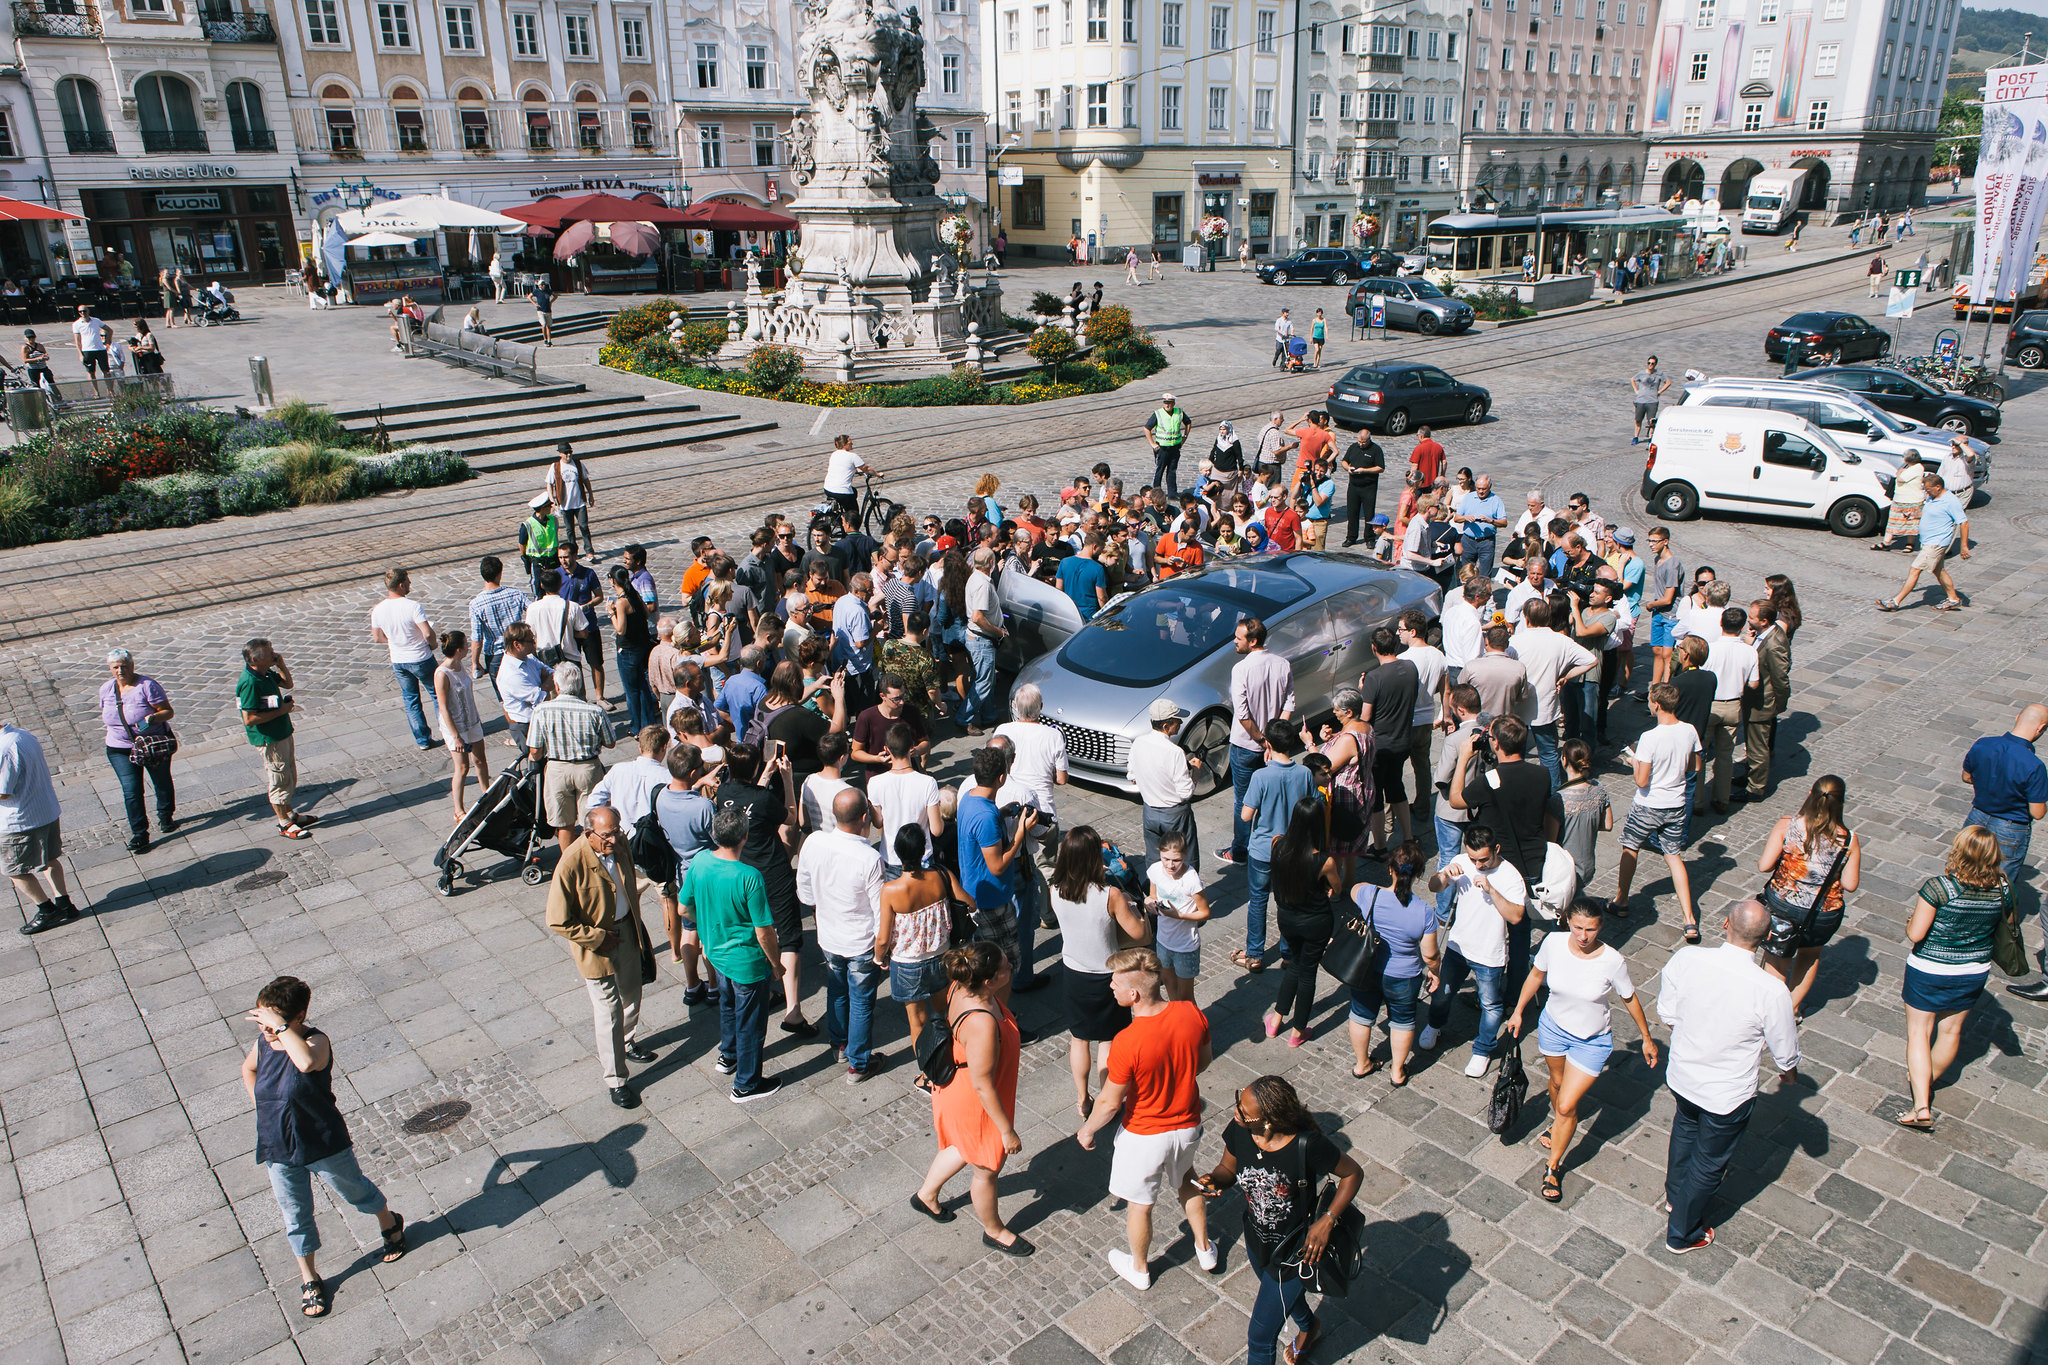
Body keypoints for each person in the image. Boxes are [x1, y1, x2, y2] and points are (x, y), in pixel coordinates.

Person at [241, 976, 407, 1320]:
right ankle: (309, 1277)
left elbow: (303, 1063)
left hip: (322, 1140)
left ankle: (389, 1222)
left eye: (272, 1023)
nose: (266, 1030)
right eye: (263, 1021)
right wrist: (263, 1106)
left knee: (355, 1191)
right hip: (278, 1147)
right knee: (295, 1215)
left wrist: (282, 1028)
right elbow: (249, 1068)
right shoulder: (263, 1043)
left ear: (298, 1016)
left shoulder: (316, 1042)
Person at [1657, 900, 1799, 1254]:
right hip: (1727, 1093)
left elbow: (1667, 1013)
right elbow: (1784, 1048)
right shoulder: (1771, 990)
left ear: (1724, 924)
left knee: (1685, 1133)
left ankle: (1676, 1198)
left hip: (1684, 1074)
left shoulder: (1687, 960)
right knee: (1709, 1161)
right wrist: (1789, 1073)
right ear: (1767, 938)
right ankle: (1683, 1231)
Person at [1196, 1076, 1365, 1365]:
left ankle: (1309, 1329)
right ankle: (1310, 1328)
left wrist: (1327, 1221)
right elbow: (1227, 1167)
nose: (1236, 1111)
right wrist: (1215, 1180)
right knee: (1279, 1296)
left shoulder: (1307, 1145)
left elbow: (1353, 1174)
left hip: (1294, 1253)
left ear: (1268, 1122)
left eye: (1244, 1110)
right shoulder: (1240, 1130)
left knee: (1260, 1339)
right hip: (1257, 1241)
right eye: (1239, 1101)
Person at [1078, 947, 1218, 1289]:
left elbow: (1111, 1101)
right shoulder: (1190, 1013)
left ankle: (1139, 1269)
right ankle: (1204, 1249)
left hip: (1144, 1135)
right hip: (1187, 1126)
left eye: (1115, 982)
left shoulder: (1127, 1041)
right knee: (1187, 1179)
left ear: (1134, 993)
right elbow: (1204, 1061)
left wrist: (1087, 1129)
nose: (1110, 987)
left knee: (1140, 1204)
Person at [1503, 901, 1659, 1201]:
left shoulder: (1611, 961)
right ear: (1568, 922)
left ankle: (1553, 1167)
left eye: (1590, 929)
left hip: (1592, 1041)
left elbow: (1629, 997)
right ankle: (1559, 1123)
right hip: (1553, 1029)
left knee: (1566, 1105)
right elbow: (1536, 976)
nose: (1583, 935)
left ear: (1600, 928)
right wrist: (1519, 1010)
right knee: (1558, 1085)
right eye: (1577, 927)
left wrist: (1646, 1037)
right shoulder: (1554, 943)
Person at [911, 941, 1032, 1255]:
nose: (1010, 966)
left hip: (961, 1088)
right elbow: (982, 1084)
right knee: (986, 1168)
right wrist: (1006, 1130)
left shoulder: (961, 986)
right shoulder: (980, 1023)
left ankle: (926, 1195)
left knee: (962, 1147)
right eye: (1005, 966)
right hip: (975, 1100)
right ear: (989, 980)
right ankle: (994, 1231)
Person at [1901, 826, 2014, 1128]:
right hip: (1972, 971)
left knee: (1919, 1034)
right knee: (1950, 1033)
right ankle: (1926, 1079)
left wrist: (1910, 921)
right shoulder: (2003, 888)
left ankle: (1921, 1105)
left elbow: (1915, 933)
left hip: (1929, 969)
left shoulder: (1939, 887)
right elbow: (2007, 926)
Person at [546, 805, 656, 1107]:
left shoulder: (617, 844)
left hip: (626, 934)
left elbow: (629, 880)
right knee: (608, 1011)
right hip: (597, 948)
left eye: (617, 831)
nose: (615, 839)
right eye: (607, 835)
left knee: (632, 995)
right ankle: (616, 1079)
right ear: (588, 833)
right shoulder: (571, 863)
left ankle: (626, 1040)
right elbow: (556, 919)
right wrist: (596, 938)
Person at [682, 808, 784, 1102]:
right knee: (752, 1022)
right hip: (746, 962)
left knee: (727, 1005)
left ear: (714, 835)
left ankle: (728, 1055)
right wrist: (776, 964)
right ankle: (747, 1084)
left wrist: (706, 926)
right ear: (745, 837)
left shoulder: (700, 861)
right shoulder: (749, 876)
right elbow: (764, 931)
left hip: (716, 954)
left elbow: (683, 908)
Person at [1050, 825, 1148, 1115]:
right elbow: (1139, 935)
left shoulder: (1055, 889)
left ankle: (1082, 1097)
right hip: (1107, 975)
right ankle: (1108, 1097)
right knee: (1109, 1039)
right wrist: (1139, 910)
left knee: (1079, 1038)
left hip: (1073, 972)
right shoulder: (1110, 895)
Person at [716, 741, 810, 1035]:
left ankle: (766, 989)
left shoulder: (724, 793)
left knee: (753, 928)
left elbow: (749, 798)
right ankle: (793, 1012)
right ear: (756, 766)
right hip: (772, 871)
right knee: (789, 936)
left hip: (741, 871)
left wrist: (764, 774)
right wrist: (786, 779)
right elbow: (792, 817)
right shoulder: (766, 798)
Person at [1422, 824, 1528, 1077]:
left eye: (1483, 859)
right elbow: (1433, 887)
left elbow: (1516, 917)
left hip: (1489, 953)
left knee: (1491, 1004)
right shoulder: (1462, 862)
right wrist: (1445, 875)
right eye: (1473, 859)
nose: (1478, 865)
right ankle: (1435, 1025)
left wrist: (1492, 890)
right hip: (1459, 946)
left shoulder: (1511, 876)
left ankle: (1482, 1049)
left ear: (1496, 850)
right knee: (1443, 992)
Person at [797, 788, 887, 1083]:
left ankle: (839, 1045)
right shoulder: (869, 858)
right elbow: (880, 910)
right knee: (861, 1001)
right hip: (860, 941)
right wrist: (883, 948)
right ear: (864, 818)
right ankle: (859, 1063)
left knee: (836, 989)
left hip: (829, 936)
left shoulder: (814, 842)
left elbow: (806, 892)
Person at [1757, 775, 1861, 1021]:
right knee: (1809, 957)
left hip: (1783, 903)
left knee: (1777, 956)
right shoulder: (1849, 839)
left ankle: (1770, 1013)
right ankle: (1792, 1008)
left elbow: (1764, 865)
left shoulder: (1787, 824)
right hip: (1823, 911)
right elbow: (1850, 884)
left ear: (1811, 795)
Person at [1612, 683, 1703, 934]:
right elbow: (1694, 766)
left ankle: (1621, 900)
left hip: (1648, 804)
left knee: (1630, 847)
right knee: (1673, 856)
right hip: (1676, 804)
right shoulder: (1689, 730)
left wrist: (1634, 763)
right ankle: (1689, 918)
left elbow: (1641, 781)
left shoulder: (1649, 738)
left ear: (1657, 705)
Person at [1347, 840, 1439, 1082]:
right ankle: (1397, 1071)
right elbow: (1430, 954)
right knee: (1403, 1020)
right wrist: (1435, 971)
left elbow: (1354, 888)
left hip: (1367, 968)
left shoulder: (1370, 895)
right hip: (1404, 975)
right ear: (1419, 873)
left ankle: (1361, 1063)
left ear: (1390, 869)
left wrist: (1375, 887)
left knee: (1361, 1014)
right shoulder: (1424, 912)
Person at [1239, 719, 1315, 974]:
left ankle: (1255, 954)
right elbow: (1313, 807)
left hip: (1263, 850)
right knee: (1288, 901)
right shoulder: (1304, 774)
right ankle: (1288, 953)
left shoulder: (1261, 776)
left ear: (1268, 744)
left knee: (1258, 900)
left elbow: (1246, 816)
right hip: (1293, 850)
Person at [1265, 797, 1340, 1048]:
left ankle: (1276, 1019)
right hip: (1316, 922)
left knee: (1295, 964)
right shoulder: (1324, 860)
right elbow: (1337, 888)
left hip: (1287, 918)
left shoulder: (1277, 844)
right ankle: (1298, 1031)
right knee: (1308, 972)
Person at [1222, 618, 1296, 869]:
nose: (1234, 641)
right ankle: (1272, 845)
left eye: (1238, 637)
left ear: (1252, 641)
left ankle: (1240, 851)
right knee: (1271, 797)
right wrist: (1273, 741)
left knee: (1243, 801)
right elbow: (1289, 704)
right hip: (1274, 747)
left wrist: (1261, 739)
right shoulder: (1283, 664)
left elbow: (1242, 715)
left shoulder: (1241, 669)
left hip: (1245, 745)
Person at [877, 825, 962, 1041]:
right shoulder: (942, 875)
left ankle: (927, 1071)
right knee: (943, 1016)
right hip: (941, 955)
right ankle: (948, 1060)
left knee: (918, 1023)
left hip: (907, 964)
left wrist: (879, 957)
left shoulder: (891, 890)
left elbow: (884, 938)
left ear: (897, 852)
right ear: (924, 849)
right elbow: (968, 902)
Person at [528, 663, 614, 852]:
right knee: (591, 821)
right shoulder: (594, 711)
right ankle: (594, 860)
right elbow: (610, 742)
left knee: (564, 824)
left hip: (557, 769)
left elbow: (535, 751)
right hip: (588, 768)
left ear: (557, 686)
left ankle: (569, 863)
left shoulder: (542, 711)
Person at [99, 648, 176, 855]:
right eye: (115, 667)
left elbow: (168, 712)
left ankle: (165, 815)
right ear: (110, 669)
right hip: (119, 748)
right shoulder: (106, 689)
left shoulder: (147, 686)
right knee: (131, 791)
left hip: (151, 744)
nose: (120, 670)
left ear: (132, 666)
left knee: (161, 781)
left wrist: (152, 718)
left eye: (124, 666)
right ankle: (140, 834)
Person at [239, 639, 316, 840]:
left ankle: (290, 814)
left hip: (282, 732)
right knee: (279, 778)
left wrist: (281, 664)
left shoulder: (264, 673)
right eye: (269, 652)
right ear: (255, 659)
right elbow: (249, 718)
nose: (274, 653)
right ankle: (284, 823)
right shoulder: (250, 682)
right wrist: (282, 710)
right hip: (269, 738)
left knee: (288, 774)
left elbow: (287, 684)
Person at [1356, 628, 1420, 853]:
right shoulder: (1411, 668)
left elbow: (1365, 718)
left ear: (1374, 648)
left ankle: (1380, 846)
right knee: (1396, 787)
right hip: (1402, 741)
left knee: (1375, 797)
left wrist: (1364, 691)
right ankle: (1409, 837)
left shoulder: (1374, 678)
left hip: (1379, 748)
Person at [367, 567, 440, 752]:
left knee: (411, 700)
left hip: (399, 660)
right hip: (421, 658)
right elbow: (427, 633)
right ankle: (447, 730)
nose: (410, 584)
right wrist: (432, 645)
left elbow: (377, 638)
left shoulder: (378, 610)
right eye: (408, 581)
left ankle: (423, 739)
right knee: (438, 694)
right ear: (401, 585)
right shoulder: (413, 606)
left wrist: (395, 641)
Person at [1877, 472, 1968, 613]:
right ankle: (1953, 599)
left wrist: (1964, 547)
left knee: (1915, 569)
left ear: (1938, 487)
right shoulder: (1933, 498)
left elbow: (1964, 523)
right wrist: (1914, 515)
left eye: (1928, 489)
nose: (1926, 492)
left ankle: (1895, 601)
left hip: (1935, 544)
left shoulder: (1951, 501)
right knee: (1939, 571)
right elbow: (1927, 512)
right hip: (1928, 542)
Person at [1700, 606, 1758, 814]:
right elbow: (1754, 684)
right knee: (1725, 755)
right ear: (1742, 627)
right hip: (1733, 705)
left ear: (1721, 623)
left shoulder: (1710, 649)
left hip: (1710, 704)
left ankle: (1698, 801)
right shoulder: (1750, 651)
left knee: (1700, 753)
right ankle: (1721, 799)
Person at [432, 631, 490, 822]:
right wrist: (455, 735)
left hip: (471, 721)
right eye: (466, 645)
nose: (469, 647)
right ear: (459, 650)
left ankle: (486, 795)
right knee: (462, 767)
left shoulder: (460, 666)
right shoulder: (442, 674)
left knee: (480, 760)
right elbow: (443, 707)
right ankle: (458, 809)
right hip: (455, 726)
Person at [1145, 836, 1211, 1001]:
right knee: (1169, 985)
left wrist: (1179, 915)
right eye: (1165, 859)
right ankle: (1179, 1022)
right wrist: (1150, 904)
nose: (1170, 865)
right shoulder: (1155, 870)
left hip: (1185, 946)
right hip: (1163, 941)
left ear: (1185, 855)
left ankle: (1195, 1026)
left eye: (1176, 860)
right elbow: (1153, 895)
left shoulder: (1191, 880)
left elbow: (1204, 912)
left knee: (1186, 997)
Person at [1743, 598, 1791, 801]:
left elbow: (1781, 678)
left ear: (1764, 621)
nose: (1748, 619)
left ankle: (1755, 787)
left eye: (1752, 617)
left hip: (1763, 702)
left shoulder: (1774, 643)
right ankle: (1750, 775)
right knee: (1752, 742)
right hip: (1753, 700)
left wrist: (1778, 705)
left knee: (1758, 747)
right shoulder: (1763, 635)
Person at [607, 565, 659, 732]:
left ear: (612, 580)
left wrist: (611, 613)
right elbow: (645, 614)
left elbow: (621, 629)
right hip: (642, 647)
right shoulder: (635, 595)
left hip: (628, 650)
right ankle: (648, 722)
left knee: (632, 691)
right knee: (643, 687)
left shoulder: (621, 602)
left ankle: (636, 726)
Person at [1643, 526, 1684, 687]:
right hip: (1658, 613)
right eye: (1650, 540)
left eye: (1655, 541)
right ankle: (1654, 685)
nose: (1651, 544)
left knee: (1667, 654)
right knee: (1657, 651)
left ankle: (1665, 687)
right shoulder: (1657, 560)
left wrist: (1651, 604)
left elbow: (1668, 599)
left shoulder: (1672, 565)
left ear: (1665, 542)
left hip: (1670, 614)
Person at [1340, 432, 1385, 547]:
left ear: (1368, 440)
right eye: (1359, 441)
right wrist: (1348, 468)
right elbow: (1344, 461)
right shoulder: (1353, 447)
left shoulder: (1376, 450)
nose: (1361, 444)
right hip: (1354, 486)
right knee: (1352, 513)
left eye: (1363, 442)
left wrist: (1364, 470)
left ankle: (1370, 537)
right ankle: (1351, 537)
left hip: (1369, 487)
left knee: (1369, 513)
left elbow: (1380, 468)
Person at [1144, 392, 1190, 498]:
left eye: (1169, 403)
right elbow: (1147, 428)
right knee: (1160, 470)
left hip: (1175, 447)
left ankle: (1172, 493)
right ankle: (1156, 493)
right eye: (1165, 403)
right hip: (1162, 448)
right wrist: (1152, 443)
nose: (1167, 405)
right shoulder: (1158, 413)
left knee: (1172, 470)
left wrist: (1184, 437)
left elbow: (1188, 422)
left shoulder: (1179, 412)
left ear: (1173, 403)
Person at [1630, 355, 1672, 445]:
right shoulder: (1641, 373)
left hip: (1652, 400)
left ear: (1655, 364)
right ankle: (1636, 436)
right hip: (1641, 399)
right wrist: (1636, 390)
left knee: (1651, 421)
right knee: (1638, 419)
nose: (1650, 365)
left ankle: (1650, 438)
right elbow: (1633, 379)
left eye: (1652, 363)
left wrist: (1659, 391)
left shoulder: (1659, 374)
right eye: (1649, 363)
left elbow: (1668, 382)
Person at [72, 304, 112, 397]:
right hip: (87, 350)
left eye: (84, 311)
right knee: (91, 372)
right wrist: (80, 354)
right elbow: (77, 341)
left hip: (100, 349)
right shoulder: (76, 324)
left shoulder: (96, 321)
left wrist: (107, 342)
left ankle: (110, 390)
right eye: (80, 312)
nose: (83, 313)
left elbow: (109, 330)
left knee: (106, 371)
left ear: (88, 311)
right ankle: (96, 393)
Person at [530, 276, 554, 345]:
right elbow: (529, 296)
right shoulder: (537, 291)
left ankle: (549, 340)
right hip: (540, 310)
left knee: (548, 326)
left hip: (548, 310)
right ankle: (545, 339)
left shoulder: (548, 290)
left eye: (544, 284)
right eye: (541, 284)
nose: (543, 285)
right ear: (539, 285)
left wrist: (551, 302)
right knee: (543, 324)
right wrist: (535, 303)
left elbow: (555, 295)